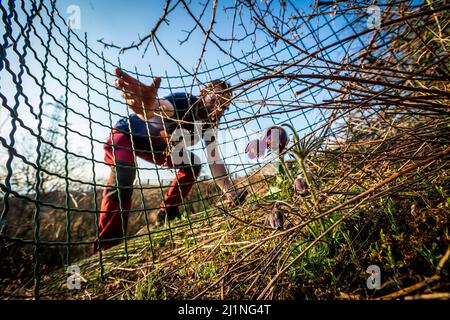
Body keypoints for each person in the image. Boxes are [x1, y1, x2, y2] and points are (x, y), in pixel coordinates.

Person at [94, 68, 238, 252]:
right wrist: (147, 106)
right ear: (203, 93)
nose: (217, 109)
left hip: (159, 148)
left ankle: (167, 213)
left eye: (223, 107)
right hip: (125, 135)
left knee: (193, 164)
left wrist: (231, 193)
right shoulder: (184, 101)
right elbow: (160, 108)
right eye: (215, 101)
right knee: (124, 174)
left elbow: (215, 161)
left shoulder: (209, 126)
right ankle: (107, 246)